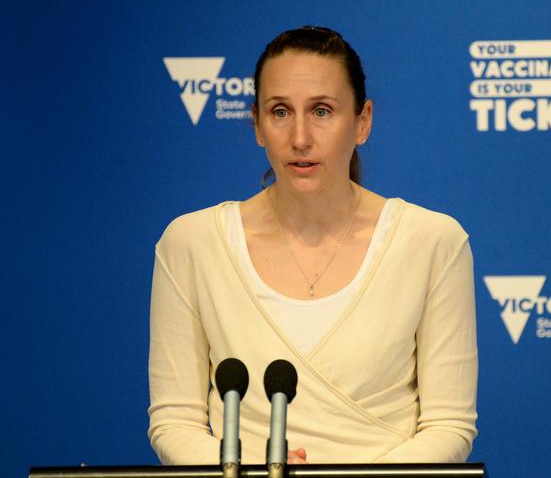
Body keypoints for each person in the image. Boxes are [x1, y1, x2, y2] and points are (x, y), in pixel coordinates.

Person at [148, 26, 477, 466]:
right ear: (258, 125)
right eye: (280, 111)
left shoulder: (435, 241)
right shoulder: (190, 243)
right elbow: (175, 422)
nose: (300, 137)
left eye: (322, 111)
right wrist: (252, 472)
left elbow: (449, 426)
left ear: (363, 122)